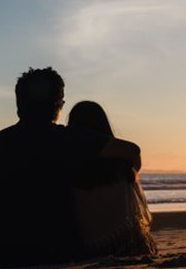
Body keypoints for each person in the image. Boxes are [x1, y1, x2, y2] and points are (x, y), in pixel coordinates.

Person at [0, 67, 142, 269]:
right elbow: (132, 151)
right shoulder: (69, 138)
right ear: (57, 105)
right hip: (57, 251)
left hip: (1, 254)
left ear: (19, 104)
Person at [67, 101, 157, 257]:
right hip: (122, 239)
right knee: (129, 173)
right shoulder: (121, 163)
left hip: (85, 244)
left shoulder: (67, 162)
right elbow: (135, 154)